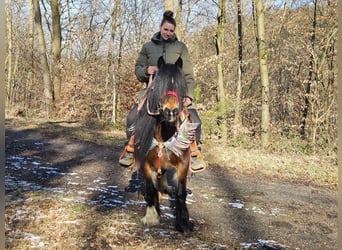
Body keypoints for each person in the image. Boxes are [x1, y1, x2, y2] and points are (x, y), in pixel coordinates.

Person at [119, 10, 206, 172]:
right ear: (160, 28)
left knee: (195, 121)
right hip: (153, 93)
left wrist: (188, 96)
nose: (168, 33)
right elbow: (138, 70)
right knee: (132, 117)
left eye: (171, 30)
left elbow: (188, 75)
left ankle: (194, 153)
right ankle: (130, 150)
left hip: (176, 94)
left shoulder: (181, 47)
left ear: (174, 32)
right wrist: (147, 70)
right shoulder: (148, 47)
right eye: (166, 29)